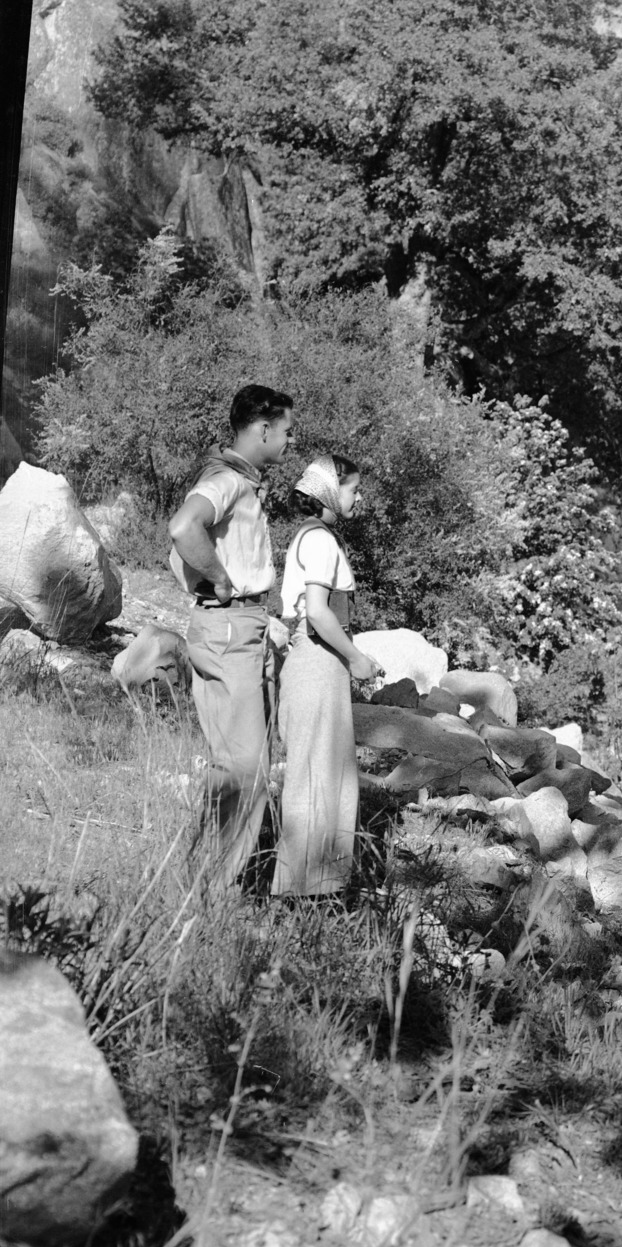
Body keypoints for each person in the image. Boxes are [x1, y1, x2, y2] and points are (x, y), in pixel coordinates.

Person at [168, 384, 293, 883]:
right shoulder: (226, 480)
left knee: (239, 766)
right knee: (245, 772)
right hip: (229, 625)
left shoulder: (239, 480)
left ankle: (206, 883)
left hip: (240, 624)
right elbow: (183, 528)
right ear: (263, 429)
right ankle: (212, 894)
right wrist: (220, 580)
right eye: (286, 430)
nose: (289, 440)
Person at [275, 455, 382, 896]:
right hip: (317, 662)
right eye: (353, 489)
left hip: (316, 663)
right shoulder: (319, 540)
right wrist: (355, 657)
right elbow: (317, 612)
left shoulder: (313, 537)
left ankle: (316, 888)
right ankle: (302, 892)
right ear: (329, 492)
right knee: (315, 774)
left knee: (322, 772)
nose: (358, 497)